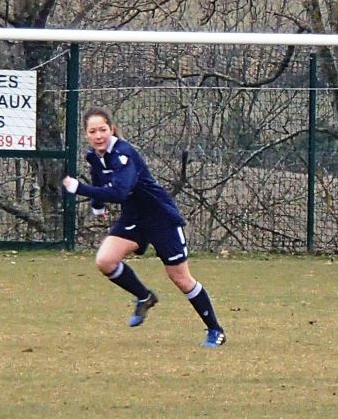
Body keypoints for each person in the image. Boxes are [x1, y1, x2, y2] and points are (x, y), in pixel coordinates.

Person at [62, 106, 226, 346]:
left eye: (102, 130)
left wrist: (80, 188)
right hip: (133, 218)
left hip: (161, 219)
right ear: (86, 134)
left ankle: (215, 330)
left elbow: (120, 192)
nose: (98, 136)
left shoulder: (124, 155)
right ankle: (144, 297)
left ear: (112, 129)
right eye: (92, 131)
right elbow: (98, 175)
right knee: (105, 261)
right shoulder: (93, 156)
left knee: (180, 278)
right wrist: (97, 206)